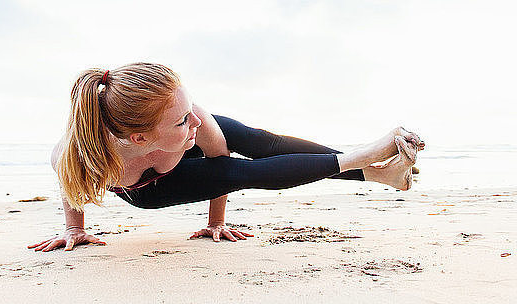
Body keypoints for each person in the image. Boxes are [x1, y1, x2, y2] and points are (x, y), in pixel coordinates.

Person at [28, 62, 425, 252]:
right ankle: (369, 163)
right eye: (184, 118)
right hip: (150, 186)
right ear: (140, 136)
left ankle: (376, 171)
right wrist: (73, 229)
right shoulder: (82, 153)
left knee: (261, 143)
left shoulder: (196, 121)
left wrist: (216, 221)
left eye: (190, 106)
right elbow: (71, 185)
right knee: (245, 173)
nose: (196, 120)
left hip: (176, 146)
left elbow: (222, 162)